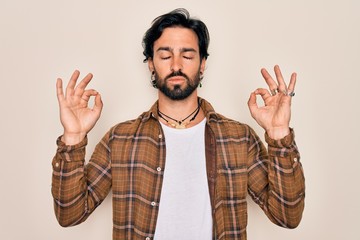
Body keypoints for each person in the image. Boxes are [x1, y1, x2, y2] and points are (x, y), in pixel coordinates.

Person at [52, 8, 305, 240]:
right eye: (165, 56)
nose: (176, 65)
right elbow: (70, 214)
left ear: (202, 64)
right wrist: (73, 137)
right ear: (151, 64)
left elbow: (287, 216)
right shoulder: (120, 139)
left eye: (187, 55)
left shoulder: (239, 138)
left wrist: (279, 133)